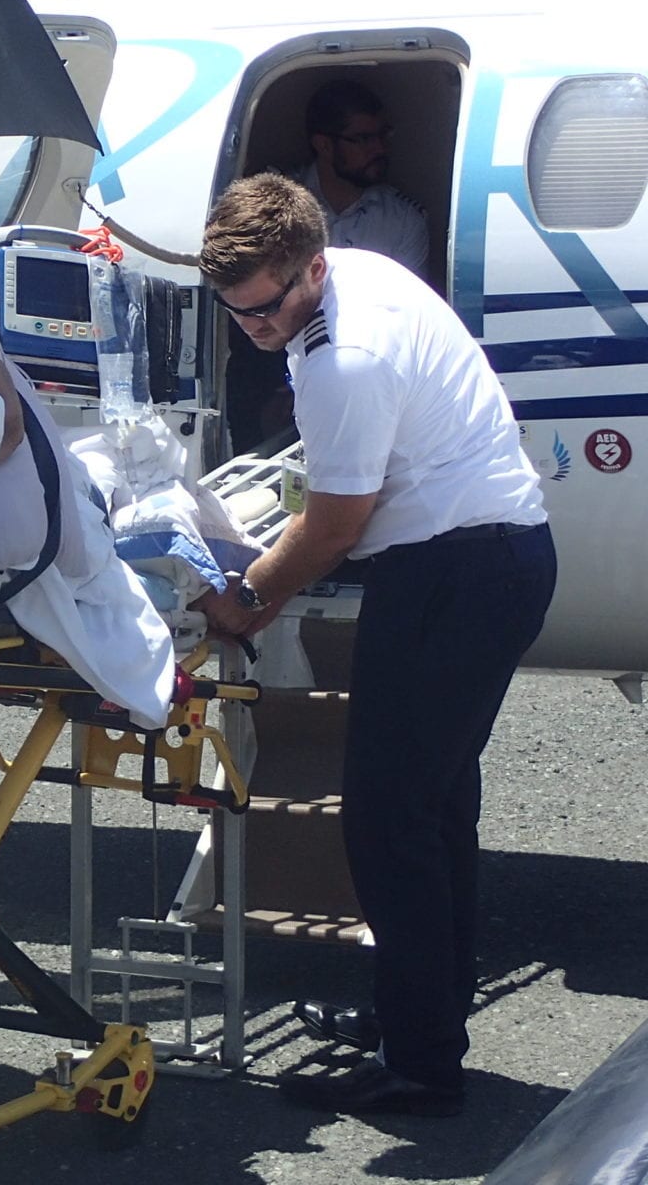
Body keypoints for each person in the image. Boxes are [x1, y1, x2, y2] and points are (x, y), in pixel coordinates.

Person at [200, 173, 556, 1118]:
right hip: (481, 559)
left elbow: (335, 525)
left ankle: (422, 1064)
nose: (256, 329)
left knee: (389, 820)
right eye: (237, 313)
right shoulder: (352, 277)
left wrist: (248, 598)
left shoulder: (343, 358)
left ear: (310, 266)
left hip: (454, 573)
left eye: (268, 307)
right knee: (432, 811)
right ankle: (419, 1018)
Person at [298, 78, 430, 278]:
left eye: (383, 135)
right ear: (324, 146)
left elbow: (408, 296)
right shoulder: (279, 208)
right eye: (364, 139)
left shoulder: (403, 221)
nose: (380, 148)